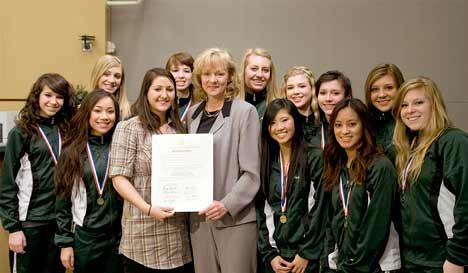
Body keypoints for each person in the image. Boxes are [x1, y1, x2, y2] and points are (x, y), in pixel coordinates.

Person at [109, 68, 193, 272]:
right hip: (141, 232)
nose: (164, 95)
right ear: (146, 92)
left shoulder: (181, 129)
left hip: (177, 235)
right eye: (158, 89)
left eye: (169, 89)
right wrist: (148, 208)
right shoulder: (129, 128)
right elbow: (119, 178)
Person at [186, 48, 260, 273]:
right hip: (199, 222)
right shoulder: (193, 114)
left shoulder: (244, 112)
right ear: (199, 78)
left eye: (219, 74)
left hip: (234, 220)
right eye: (207, 74)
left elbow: (251, 172)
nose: (212, 80)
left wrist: (227, 204)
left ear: (229, 77)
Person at [0, 73, 77, 273]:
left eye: (59, 97)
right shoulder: (21, 133)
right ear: (37, 96)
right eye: (48, 95)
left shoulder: (68, 130)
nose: (54, 102)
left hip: (59, 223)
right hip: (30, 223)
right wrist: (14, 228)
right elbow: (7, 184)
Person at [393, 76, 468, 272]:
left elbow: (466, 201)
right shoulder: (408, 147)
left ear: (434, 105)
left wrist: (457, 258)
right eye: (404, 105)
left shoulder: (453, 142)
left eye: (418, 102)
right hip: (412, 260)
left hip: (444, 260)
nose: (410, 110)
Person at [323, 98, 400, 273]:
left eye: (352, 124)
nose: (344, 131)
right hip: (344, 264)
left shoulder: (380, 167)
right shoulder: (337, 165)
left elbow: (376, 226)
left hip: (375, 266)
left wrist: (354, 266)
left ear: (364, 126)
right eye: (338, 125)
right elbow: (333, 219)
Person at [54, 90, 123, 273]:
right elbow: (62, 201)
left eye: (110, 111)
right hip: (86, 238)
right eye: (98, 110)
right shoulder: (72, 151)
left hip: (119, 236)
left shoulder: (121, 147)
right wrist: (65, 243)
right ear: (87, 113)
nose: (104, 117)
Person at [256, 99, 324, 273]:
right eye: (272, 123)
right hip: (276, 258)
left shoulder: (314, 156)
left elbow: (321, 208)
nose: (279, 127)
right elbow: (261, 210)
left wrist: (306, 253)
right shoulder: (267, 160)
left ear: (295, 120)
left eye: (284, 120)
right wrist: (269, 255)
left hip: (305, 257)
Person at [364, 63, 404, 156]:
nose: (381, 95)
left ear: (400, 88)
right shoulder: (366, 125)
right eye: (375, 89)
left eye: (389, 88)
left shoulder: (411, 124)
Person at [312, 70, 352, 150]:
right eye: (323, 93)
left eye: (335, 93)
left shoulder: (355, 128)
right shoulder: (312, 132)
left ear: (347, 96)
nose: (328, 99)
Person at [279, 66, 320, 143]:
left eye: (302, 86)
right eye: (290, 88)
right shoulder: (280, 123)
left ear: (312, 89)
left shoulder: (323, 118)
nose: (296, 92)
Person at [239, 48, 278, 120]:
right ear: (244, 71)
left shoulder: (278, 107)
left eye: (265, 70)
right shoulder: (230, 105)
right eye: (254, 69)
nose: (260, 75)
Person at [89, 55, 132, 119]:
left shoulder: (129, 114)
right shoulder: (81, 110)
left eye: (117, 76)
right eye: (106, 74)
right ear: (97, 75)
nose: (112, 80)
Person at [166, 52, 196, 120]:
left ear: (193, 74)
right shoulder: (158, 100)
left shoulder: (201, 104)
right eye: (175, 70)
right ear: (167, 74)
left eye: (186, 71)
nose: (181, 76)